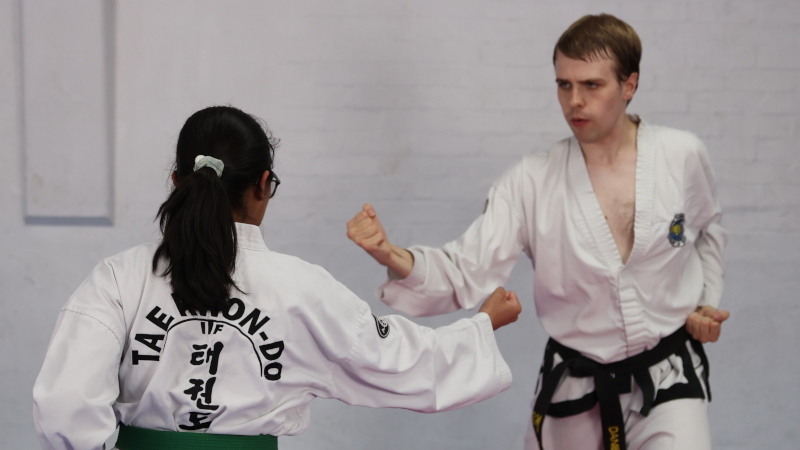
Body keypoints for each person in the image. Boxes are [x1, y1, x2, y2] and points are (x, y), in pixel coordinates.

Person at [32, 105, 522, 450]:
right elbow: (401, 362)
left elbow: (65, 405)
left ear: (178, 182)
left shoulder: (119, 279)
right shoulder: (300, 289)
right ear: (264, 185)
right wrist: (481, 325)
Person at [347, 14, 729, 450]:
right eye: (564, 85)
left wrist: (706, 303)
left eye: (591, 85)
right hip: (576, 384)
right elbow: (466, 267)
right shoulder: (530, 181)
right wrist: (391, 254)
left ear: (629, 85)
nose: (574, 101)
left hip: (667, 380)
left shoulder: (681, 156)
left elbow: (708, 231)